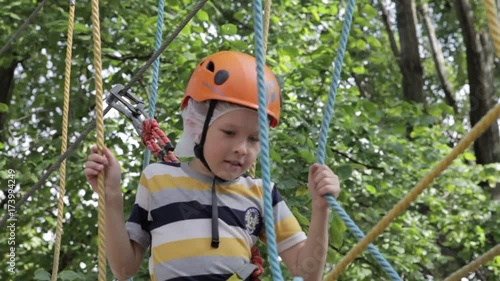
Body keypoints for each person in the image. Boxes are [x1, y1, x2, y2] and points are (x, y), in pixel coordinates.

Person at [84, 51, 341, 281]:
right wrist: (112, 197)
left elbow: (307, 273)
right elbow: (124, 268)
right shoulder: (157, 180)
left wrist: (321, 211)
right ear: (197, 127)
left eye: (254, 138)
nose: (242, 148)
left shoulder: (263, 195)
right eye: (229, 132)